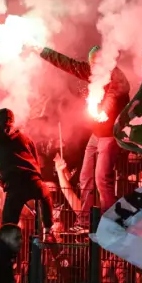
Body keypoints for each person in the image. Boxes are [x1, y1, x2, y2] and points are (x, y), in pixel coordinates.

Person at [38, 45, 131, 231]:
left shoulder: (117, 77)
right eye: (92, 63)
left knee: (101, 178)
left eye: (97, 62)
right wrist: (42, 50)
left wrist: (103, 109)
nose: (94, 67)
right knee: (84, 176)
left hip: (111, 135)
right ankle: (85, 221)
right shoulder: (91, 72)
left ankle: (111, 222)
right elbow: (67, 63)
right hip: (97, 135)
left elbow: (114, 94)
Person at [0, 109, 54, 237]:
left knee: (8, 226)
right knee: (45, 195)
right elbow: (36, 160)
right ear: (13, 121)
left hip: (14, 187)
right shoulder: (25, 138)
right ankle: (48, 232)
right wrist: (38, 178)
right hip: (34, 181)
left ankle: (7, 250)